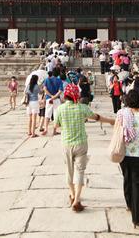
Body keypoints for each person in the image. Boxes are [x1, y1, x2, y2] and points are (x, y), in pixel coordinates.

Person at [54, 83, 114, 212]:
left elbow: (56, 125)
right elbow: (96, 117)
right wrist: (110, 120)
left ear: (65, 95)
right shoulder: (82, 108)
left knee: (69, 170)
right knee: (80, 171)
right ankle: (77, 200)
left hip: (66, 143)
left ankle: (72, 194)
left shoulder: (60, 109)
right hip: (81, 143)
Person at [118, 89, 139, 228]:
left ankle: (129, 204)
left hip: (125, 154)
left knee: (127, 179)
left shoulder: (122, 115)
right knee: (137, 184)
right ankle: (137, 219)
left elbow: (117, 132)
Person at [44, 71, 63, 135]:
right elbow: (60, 91)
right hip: (56, 99)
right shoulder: (59, 80)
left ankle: (46, 128)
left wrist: (51, 96)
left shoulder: (47, 79)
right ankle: (54, 130)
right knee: (56, 115)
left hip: (48, 99)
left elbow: (45, 89)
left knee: (47, 114)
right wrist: (54, 97)